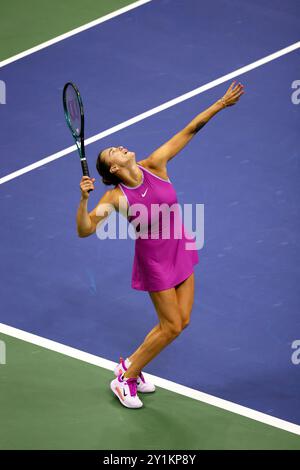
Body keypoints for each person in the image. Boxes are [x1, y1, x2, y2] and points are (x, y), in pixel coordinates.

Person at [76, 81, 244, 409]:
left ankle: (131, 367)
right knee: (170, 326)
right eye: (115, 151)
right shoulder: (115, 197)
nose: (122, 147)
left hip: (180, 245)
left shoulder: (156, 165)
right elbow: (85, 230)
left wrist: (221, 104)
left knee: (181, 322)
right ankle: (124, 378)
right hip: (154, 261)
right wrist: (83, 201)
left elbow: (191, 129)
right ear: (114, 168)